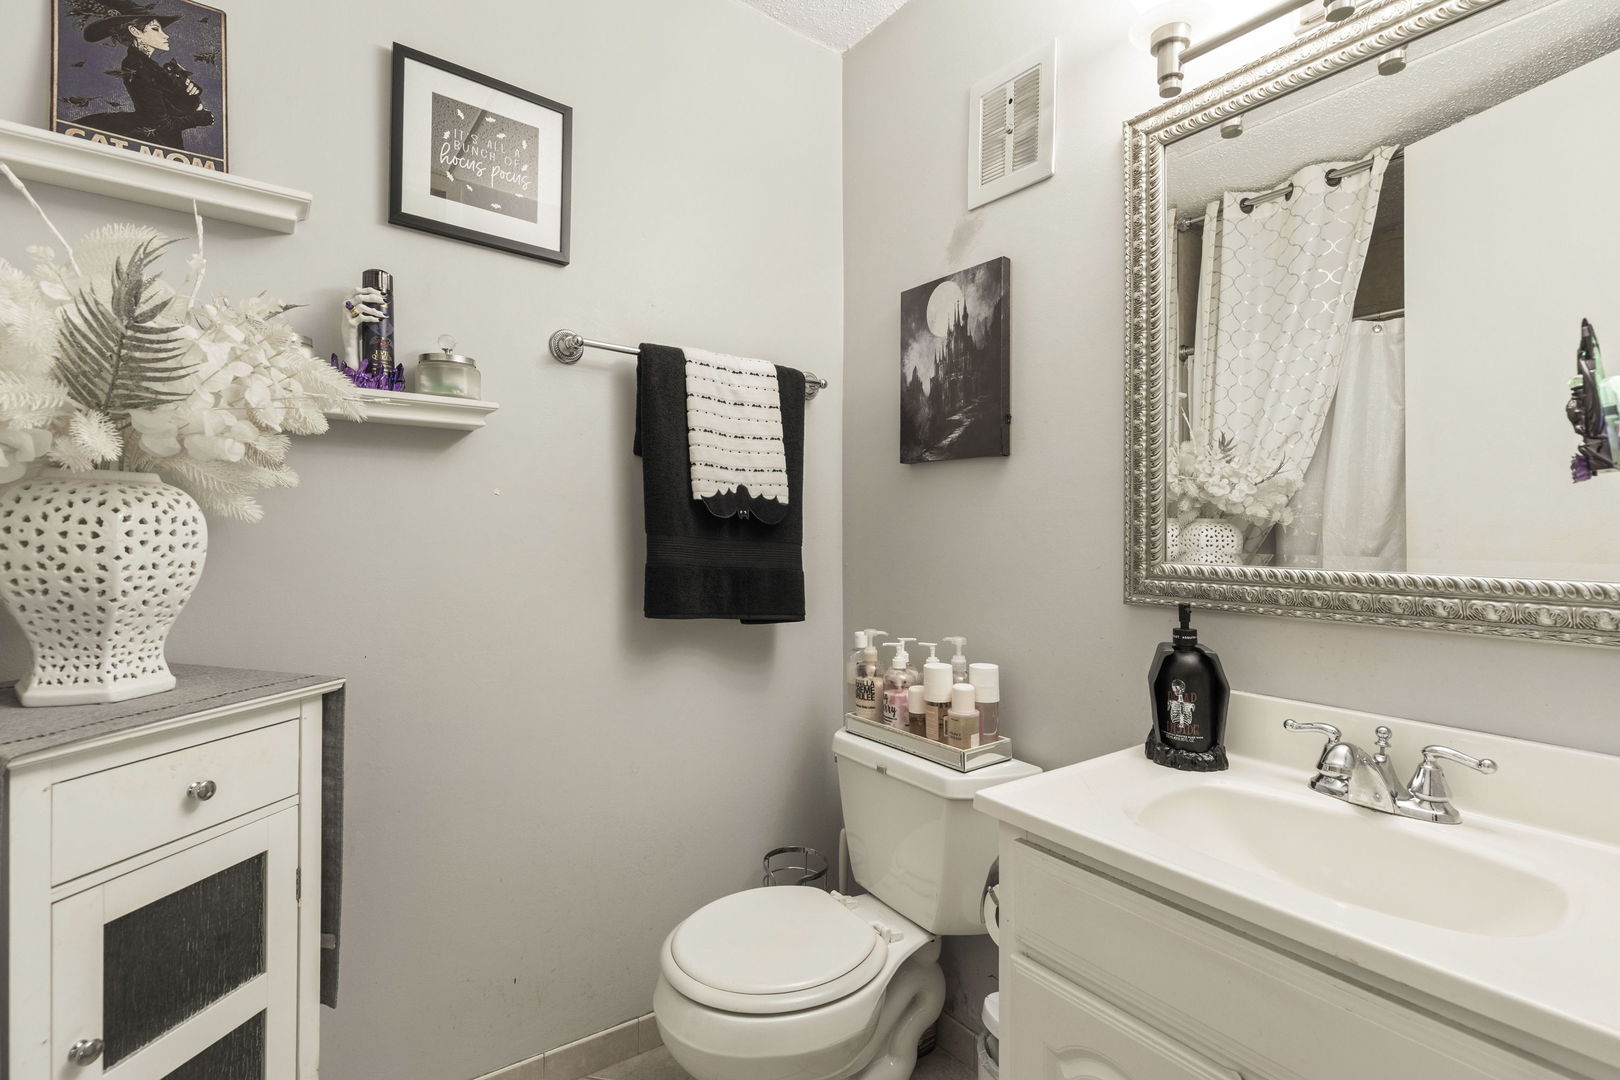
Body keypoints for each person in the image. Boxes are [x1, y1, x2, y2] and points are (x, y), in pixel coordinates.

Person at [72, 1, 214, 151]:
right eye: (155, 29)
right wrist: (198, 118)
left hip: (164, 142)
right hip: (154, 142)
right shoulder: (137, 65)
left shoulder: (148, 65)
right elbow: (161, 124)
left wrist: (189, 92)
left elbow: (169, 105)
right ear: (135, 31)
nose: (165, 35)